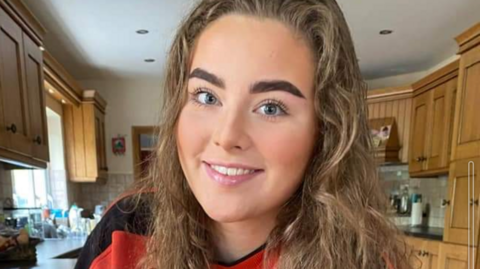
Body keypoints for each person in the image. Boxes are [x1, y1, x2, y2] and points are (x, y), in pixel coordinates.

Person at [76, 0, 411, 268]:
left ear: (326, 130)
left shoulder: (362, 261)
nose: (226, 135)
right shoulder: (124, 231)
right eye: (207, 96)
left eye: (270, 107)